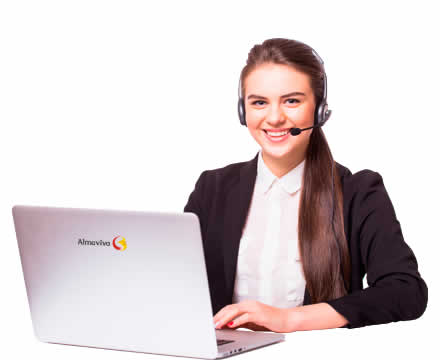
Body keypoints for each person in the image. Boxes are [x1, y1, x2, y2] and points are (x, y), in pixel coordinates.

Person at [183, 38, 428, 332]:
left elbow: (405, 291)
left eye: (292, 101)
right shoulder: (213, 188)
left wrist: (288, 319)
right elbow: (177, 283)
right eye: (259, 102)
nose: (274, 118)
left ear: (320, 109)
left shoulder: (359, 193)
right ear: (242, 110)